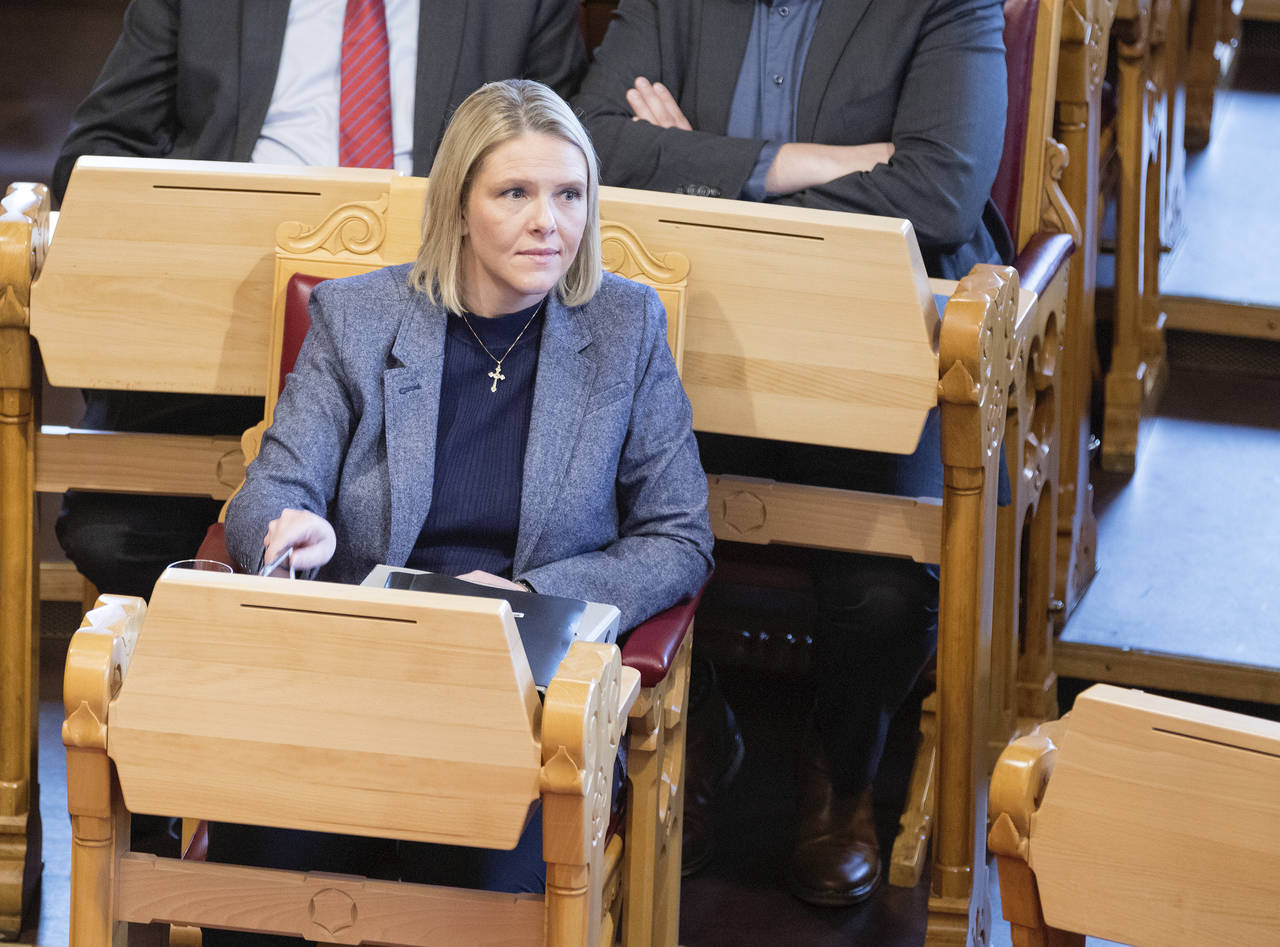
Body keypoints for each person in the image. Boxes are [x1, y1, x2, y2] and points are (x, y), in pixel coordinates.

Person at [209, 78, 713, 945]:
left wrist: (523, 595)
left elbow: (678, 536)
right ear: (460, 204)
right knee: (267, 860)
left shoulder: (626, 328)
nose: (547, 221)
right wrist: (291, 528)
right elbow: (275, 484)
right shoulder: (360, 317)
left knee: (487, 872)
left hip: (521, 700)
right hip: (358, 674)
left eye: (568, 194)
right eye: (514, 193)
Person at [573, 0, 1009, 906]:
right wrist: (811, 166)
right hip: (697, 334)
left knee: (885, 587)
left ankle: (842, 770)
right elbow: (596, 150)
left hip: (873, 342)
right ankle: (693, 739)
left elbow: (939, 194)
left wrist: (707, 165)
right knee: (584, 498)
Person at [52, 0, 588, 602]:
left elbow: (557, 141)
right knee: (114, 530)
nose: (547, 215)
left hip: (459, 298)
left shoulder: (619, 316)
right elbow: (92, 162)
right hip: (216, 324)